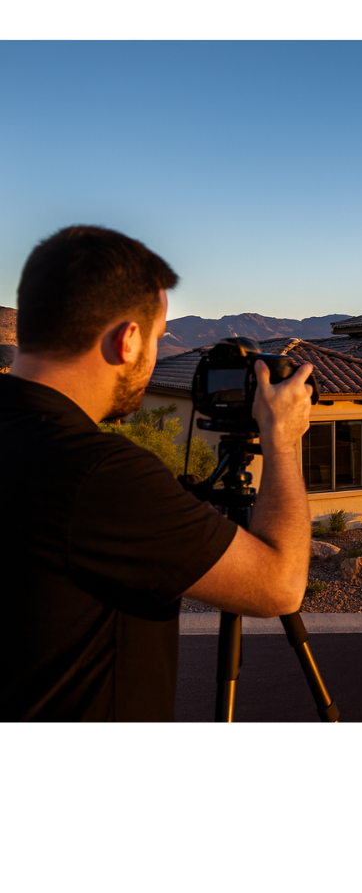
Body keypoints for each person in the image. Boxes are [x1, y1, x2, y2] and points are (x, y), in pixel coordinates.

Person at [0, 226, 314, 722]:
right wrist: (283, 440)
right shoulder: (98, 474)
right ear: (128, 340)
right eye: (155, 340)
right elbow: (280, 586)